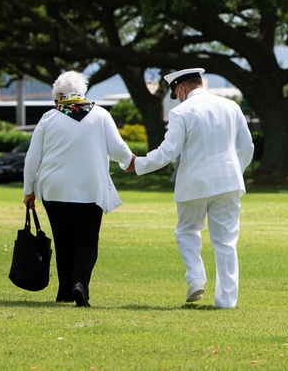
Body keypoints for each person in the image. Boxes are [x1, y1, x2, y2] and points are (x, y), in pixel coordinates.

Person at [124, 68, 254, 308]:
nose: (178, 97)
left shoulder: (181, 111)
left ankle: (195, 278)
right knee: (225, 242)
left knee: (187, 231)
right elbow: (246, 147)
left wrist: (139, 163)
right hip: (228, 182)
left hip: (194, 183)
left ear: (181, 88)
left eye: (176, 93)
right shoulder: (231, 107)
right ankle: (226, 301)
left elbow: (168, 152)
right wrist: (235, 172)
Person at [22, 71, 136, 307]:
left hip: (54, 190)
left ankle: (64, 291)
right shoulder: (101, 115)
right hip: (90, 189)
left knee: (63, 241)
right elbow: (119, 149)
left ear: (60, 95)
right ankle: (80, 283)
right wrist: (131, 163)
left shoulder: (48, 118)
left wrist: (28, 190)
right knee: (86, 242)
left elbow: (32, 159)